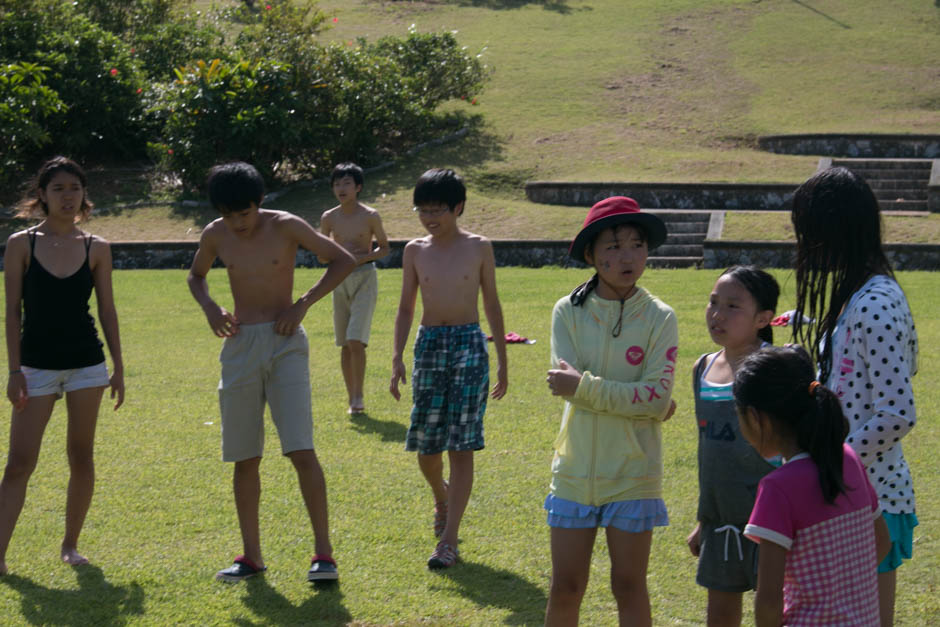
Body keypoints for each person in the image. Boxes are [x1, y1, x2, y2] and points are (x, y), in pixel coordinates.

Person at [187, 162, 356, 583]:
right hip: (240, 346)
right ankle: (252, 557)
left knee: (301, 450)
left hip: (286, 344)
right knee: (245, 457)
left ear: (259, 202)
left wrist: (303, 303)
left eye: (243, 213)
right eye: (229, 215)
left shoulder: (287, 226)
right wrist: (210, 308)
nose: (237, 223)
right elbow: (196, 277)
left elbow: (343, 260)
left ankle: (324, 554)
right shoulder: (215, 234)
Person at [790, 166, 918, 626]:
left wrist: (830, 456)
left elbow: (897, 413)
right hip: (848, 497)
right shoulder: (857, 295)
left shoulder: (876, 303)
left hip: (872, 500)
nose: (803, 245)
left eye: (807, 232)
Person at [543, 196, 678, 626]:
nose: (628, 256)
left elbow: (656, 399)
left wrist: (584, 387)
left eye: (637, 245)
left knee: (629, 585)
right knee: (565, 586)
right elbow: (566, 388)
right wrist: (637, 401)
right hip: (574, 470)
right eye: (614, 246)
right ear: (590, 255)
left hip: (634, 474)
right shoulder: (568, 311)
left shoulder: (660, 317)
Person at [0, 156, 124, 575]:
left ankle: (70, 546)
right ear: (42, 195)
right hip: (35, 367)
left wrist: (119, 366)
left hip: (87, 366)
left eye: (75, 188)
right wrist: (14, 370)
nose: (68, 197)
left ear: (84, 194)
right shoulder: (21, 243)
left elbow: (107, 311)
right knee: (19, 463)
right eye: (58, 189)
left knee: (81, 456)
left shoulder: (96, 247)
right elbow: (12, 313)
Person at [389, 168, 507, 570]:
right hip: (429, 345)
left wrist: (504, 361)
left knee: (462, 443)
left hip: (469, 345)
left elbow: (491, 303)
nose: (429, 218)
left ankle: (449, 539)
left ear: (457, 208)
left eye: (437, 209)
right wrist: (396, 356)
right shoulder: (414, 250)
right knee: (427, 446)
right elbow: (406, 306)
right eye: (422, 210)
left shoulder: (479, 247)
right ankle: (441, 496)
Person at [737, 346, 891, 626]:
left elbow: (769, 598)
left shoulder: (778, 488)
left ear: (756, 417)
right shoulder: (848, 458)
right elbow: (882, 542)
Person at [686, 265, 779, 627]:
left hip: (774, 521)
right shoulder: (702, 368)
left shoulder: (776, 367)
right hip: (721, 520)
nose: (717, 315)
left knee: (774, 612)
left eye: (732, 306)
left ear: (763, 318)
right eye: (713, 303)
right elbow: (708, 451)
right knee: (720, 616)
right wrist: (704, 522)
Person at [319, 162, 390, 415]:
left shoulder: (370, 215)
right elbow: (322, 254)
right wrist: (332, 257)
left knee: (355, 339)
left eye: (347, 183)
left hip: (364, 278)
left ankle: (359, 395)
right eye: (337, 184)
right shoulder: (329, 217)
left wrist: (358, 259)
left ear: (358, 187)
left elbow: (384, 248)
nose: (341, 188)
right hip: (339, 280)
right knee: (345, 344)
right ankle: (352, 398)